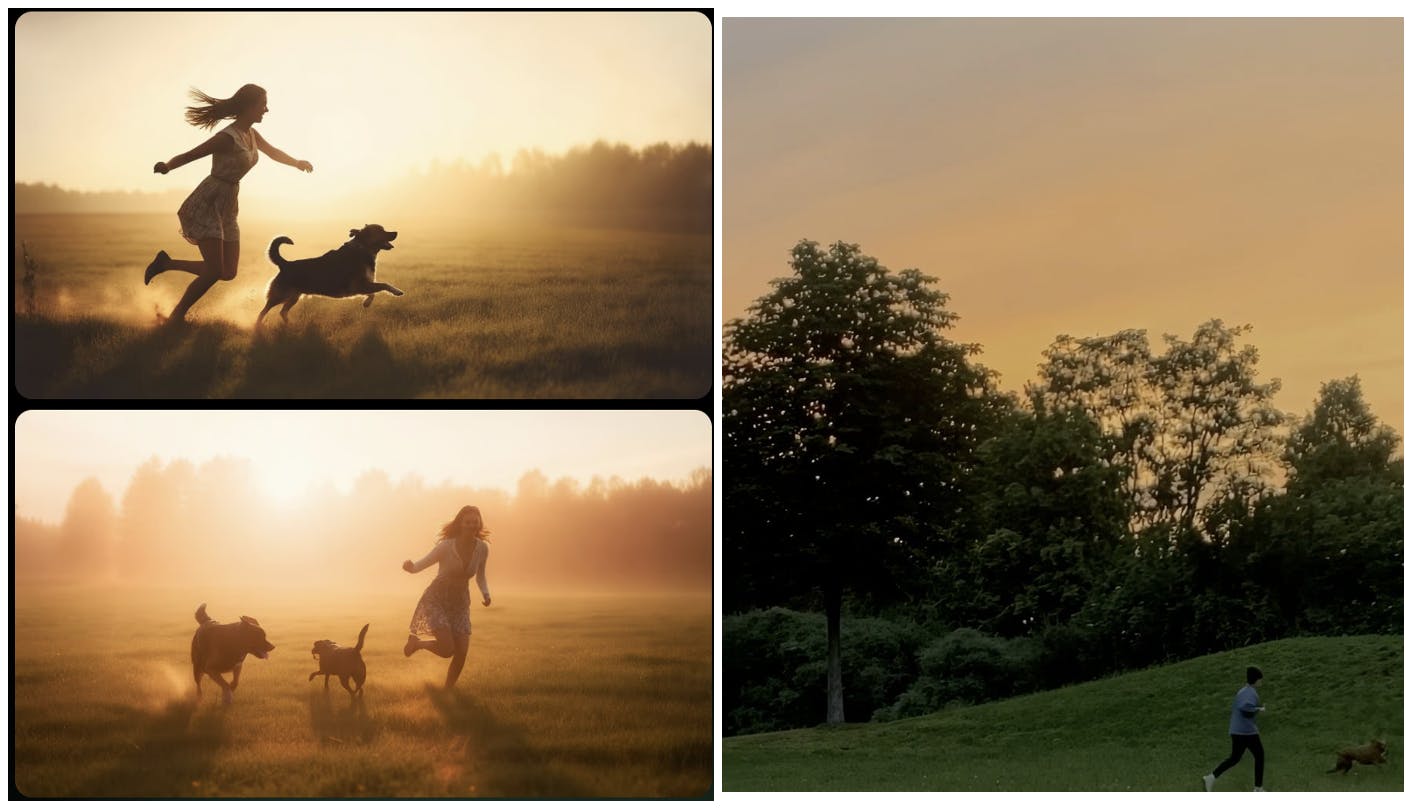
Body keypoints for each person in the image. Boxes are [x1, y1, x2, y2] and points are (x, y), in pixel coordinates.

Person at [144, 84, 313, 324]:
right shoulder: (227, 138)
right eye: (263, 105)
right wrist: (168, 166)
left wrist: (296, 163)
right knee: (214, 270)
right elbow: (193, 154)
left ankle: (166, 263)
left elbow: (273, 152)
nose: (266, 110)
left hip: (228, 205)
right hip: (208, 202)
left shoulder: (252, 134)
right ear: (249, 106)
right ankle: (175, 318)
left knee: (228, 272)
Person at [402, 505, 492, 689]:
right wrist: (411, 567)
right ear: (460, 524)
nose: (472, 525)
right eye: (468, 522)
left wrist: (486, 594)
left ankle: (448, 691)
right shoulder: (446, 546)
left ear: (479, 524)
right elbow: (421, 564)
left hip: (460, 603)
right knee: (447, 649)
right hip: (436, 599)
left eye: (475, 522)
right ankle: (418, 644)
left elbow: (480, 575)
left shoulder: (482, 548)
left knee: (462, 651)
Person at [1203, 666, 1266, 792]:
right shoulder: (1250, 692)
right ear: (1256, 679)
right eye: (1260, 679)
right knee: (1259, 755)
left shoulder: (1244, 691)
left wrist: (1256, 710)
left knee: (1235, 758)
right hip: (1246, 732)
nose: (1261, 681)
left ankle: (1211, 777)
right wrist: (1259, 710)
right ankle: (1258, 789)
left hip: (1238, 731)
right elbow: (1245, 708)